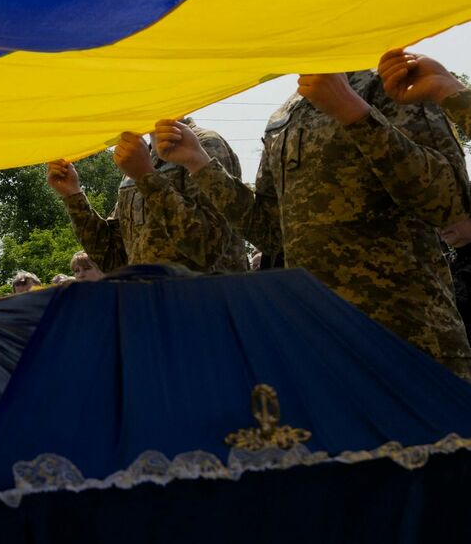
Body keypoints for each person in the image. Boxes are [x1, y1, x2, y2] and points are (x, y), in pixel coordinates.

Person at [155, 70, 471, 377]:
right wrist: (199, 162)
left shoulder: (390, 84)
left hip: (407, 344)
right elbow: (269, 233)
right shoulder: (284, 117)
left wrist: (353, 112)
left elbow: (450, 203)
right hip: (322, 346)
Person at [46, 123, 248, 275]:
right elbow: (113, 259)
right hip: (150, 307)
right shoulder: (140, 158)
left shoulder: (205, 144)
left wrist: (146, 176)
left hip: (204, 307)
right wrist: (73, 195)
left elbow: (207, 248)